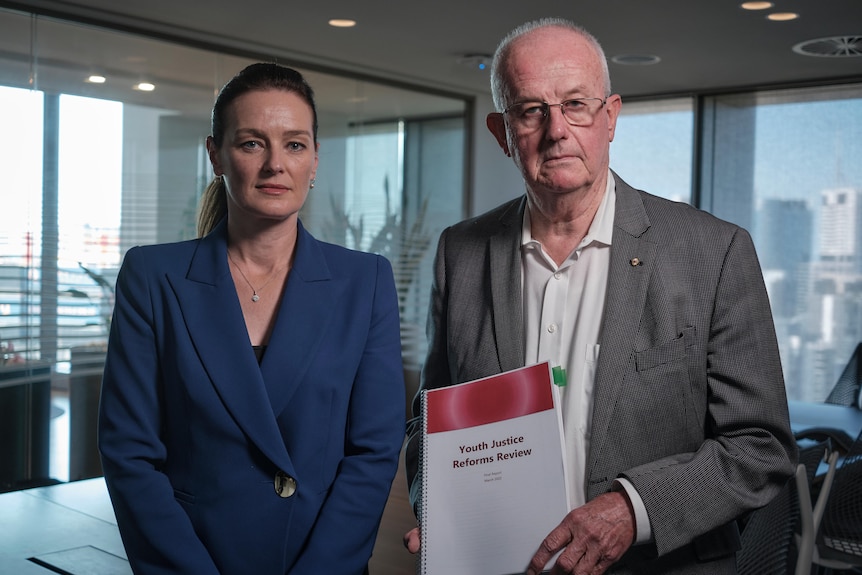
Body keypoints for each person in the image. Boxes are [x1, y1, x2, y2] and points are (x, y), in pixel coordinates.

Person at [403, 18, 797, 575]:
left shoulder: (715, 251)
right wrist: (442, 509)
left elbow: (761, 446)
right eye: (531, 110)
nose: (556, 130)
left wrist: (631, 510)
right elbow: (430, 420)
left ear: (610, 117)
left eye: (576, 105)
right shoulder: (460, 253)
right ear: (502, 132)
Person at [98, 62, 405, 574]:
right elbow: (129, 455)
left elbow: (373, 453)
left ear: (315, 160)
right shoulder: (153, 277)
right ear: (215, 154)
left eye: (294, 144)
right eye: (251, 143)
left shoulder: (365, 281)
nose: (275, 165)